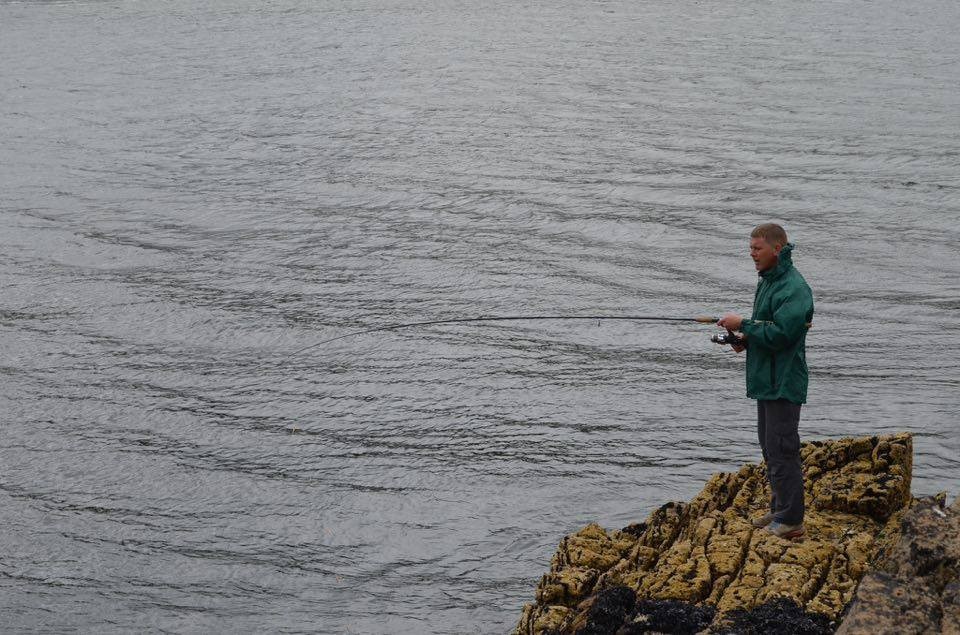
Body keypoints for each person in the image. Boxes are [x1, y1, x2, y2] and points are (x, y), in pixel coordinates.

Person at [717, 223, 814, 539]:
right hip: (767, 380)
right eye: (750, 248)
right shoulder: (770, 281)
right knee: (770, 446)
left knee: (783, 448)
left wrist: (743, 323)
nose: (751, 254)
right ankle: (780, 507)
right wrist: (744, 338)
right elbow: (766, 328)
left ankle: (791, 521)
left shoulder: (795, 288)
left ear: (777, 248)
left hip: (784, 382)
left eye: (757, 248)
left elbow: (784, 333)